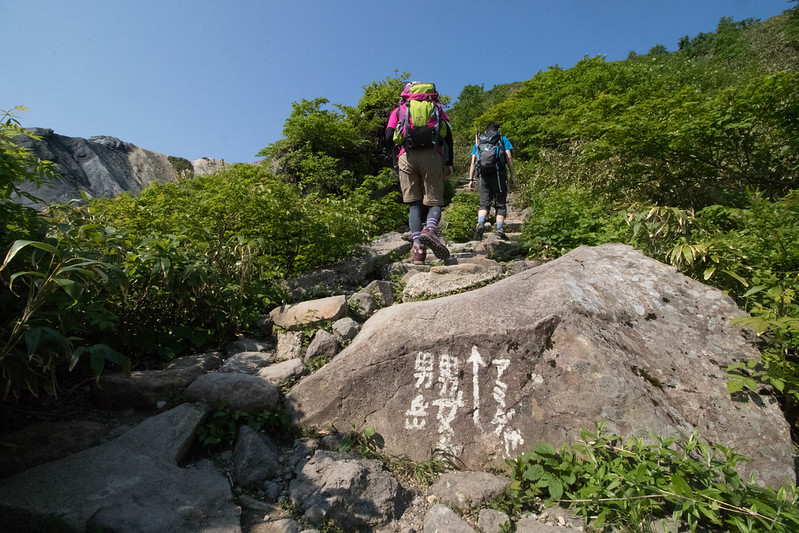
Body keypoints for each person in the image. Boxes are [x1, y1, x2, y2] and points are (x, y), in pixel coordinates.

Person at [386, 82, 454, 264]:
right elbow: (448, 136)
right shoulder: (436, 107)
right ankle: (430, 229)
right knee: (434, 201)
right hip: (432, 156)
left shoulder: (400, 110)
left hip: (406, 157)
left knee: (414, 205)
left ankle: (418, 251)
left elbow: (388, 136)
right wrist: (449, 163)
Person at [468, 121, 515, 240]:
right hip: (499, 176)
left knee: (484, 203)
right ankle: (499, 229)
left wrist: (471, 179)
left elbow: (473, 162)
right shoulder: (502, 139)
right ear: (497, 130)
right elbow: (508, 158)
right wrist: (512, 176)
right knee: (500, 204)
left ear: (486, 131)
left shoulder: (479, 142)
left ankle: (480, 223)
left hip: (483, 176)